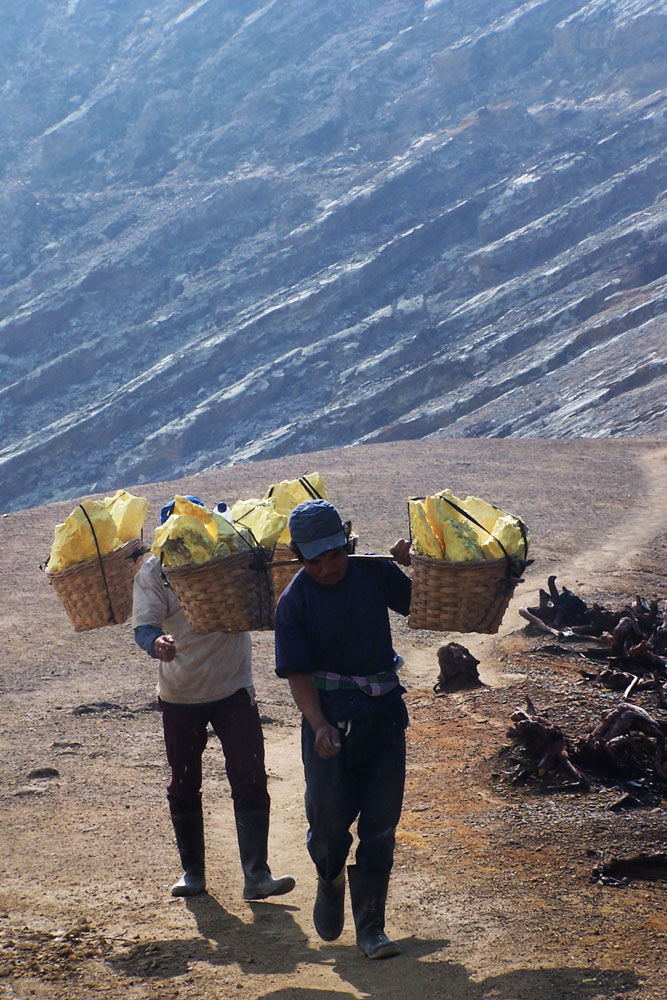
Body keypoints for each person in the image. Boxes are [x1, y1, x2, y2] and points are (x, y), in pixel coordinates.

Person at [132, 495, 295, 901]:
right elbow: (144, 626)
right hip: (180, 693)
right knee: (184, 782)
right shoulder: (155, 570)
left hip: (232, 688)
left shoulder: (229, 559)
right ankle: (193, 873)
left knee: (250, 776)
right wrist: (157, 643)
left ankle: (256, 873)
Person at [273, 498, 412, 959]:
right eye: (316, 560)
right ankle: (329, 876)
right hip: (329, 725)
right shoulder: (293, 603)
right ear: (298, 555)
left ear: (348, 544)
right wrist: (318, 725)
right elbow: (297, 673)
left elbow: (426, 606)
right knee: (329, 826)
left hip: (384, 717)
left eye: (335, 554)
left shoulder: (375, 573)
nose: (328, 567)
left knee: (381, 824)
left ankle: (371, 927)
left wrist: (421, 564)